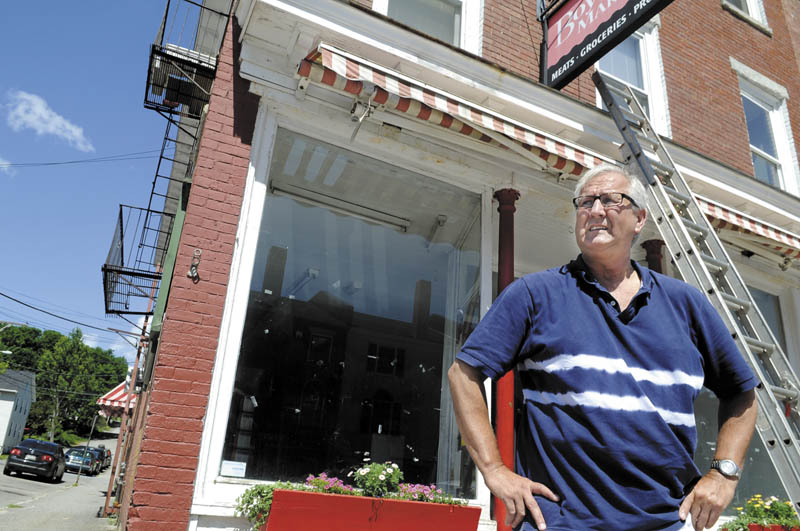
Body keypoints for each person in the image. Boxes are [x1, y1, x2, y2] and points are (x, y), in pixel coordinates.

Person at [448, 164, 758, 531]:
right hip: (560, 523)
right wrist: (495, 471)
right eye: (585, 202)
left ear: (639, 218)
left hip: (667, 522)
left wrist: (724, 474)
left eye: (610, 200)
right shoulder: (535, 295)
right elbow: (463, 374)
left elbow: (742, 393)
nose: (595, 211)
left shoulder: (685, 303)